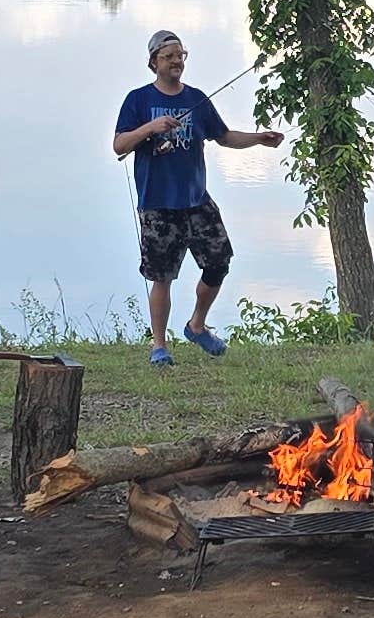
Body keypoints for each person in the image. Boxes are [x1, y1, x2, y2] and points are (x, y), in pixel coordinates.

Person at [112, 29, 282, 368]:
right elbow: (119, 145)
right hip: (157, 203)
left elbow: (225, 136)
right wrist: (150, 128)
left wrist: (259, 138)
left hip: (196, 200)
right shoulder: (138, 100)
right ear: (153, 62)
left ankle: (197, 326)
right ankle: (159, 347)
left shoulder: (197, 99)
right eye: (169, 56)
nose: (176, 62)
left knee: (219, 261)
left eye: (180, 56)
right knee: (161, 276)